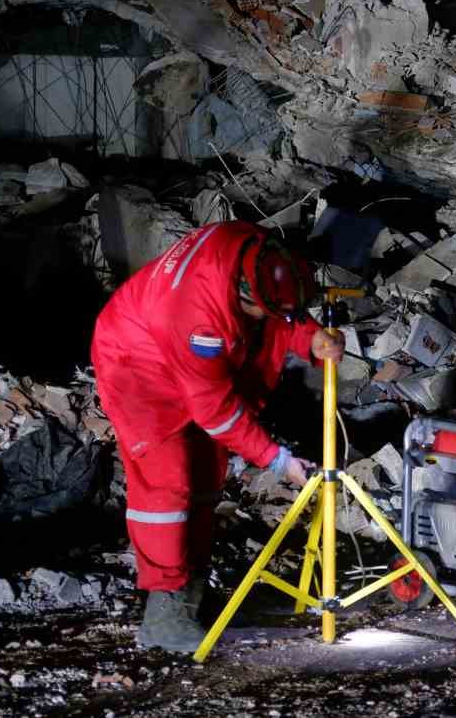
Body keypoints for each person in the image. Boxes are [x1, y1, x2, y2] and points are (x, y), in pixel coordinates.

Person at [90, 221, 343, 653]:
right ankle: (164, 613)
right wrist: (276, 459)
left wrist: (310, 335)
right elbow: (217, 412)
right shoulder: (198, 323)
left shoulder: (251, 245)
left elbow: (280, 313)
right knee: (168, 485)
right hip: (138, 370)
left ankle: (193, 596)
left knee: (207, 473)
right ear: (245, 298)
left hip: (169, 341)